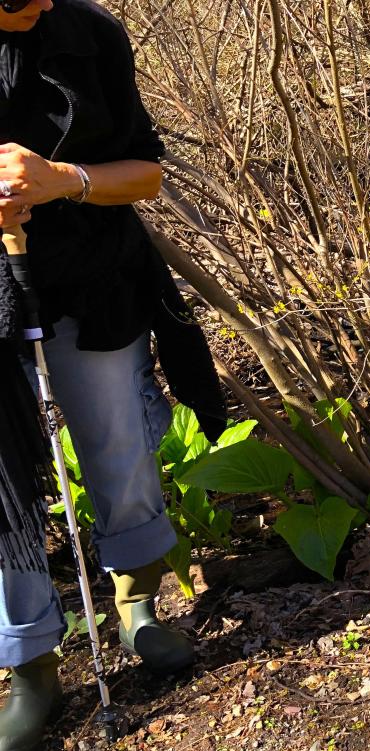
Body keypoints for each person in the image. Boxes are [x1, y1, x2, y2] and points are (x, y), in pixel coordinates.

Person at [0, 0, 225, 747]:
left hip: (96, 282)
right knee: (3, 490)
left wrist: (61, 179)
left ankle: (137, 606)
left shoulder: (91, 34)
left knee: (119, 446)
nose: (39, 7)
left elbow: (145, 173)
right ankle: (31, 661)